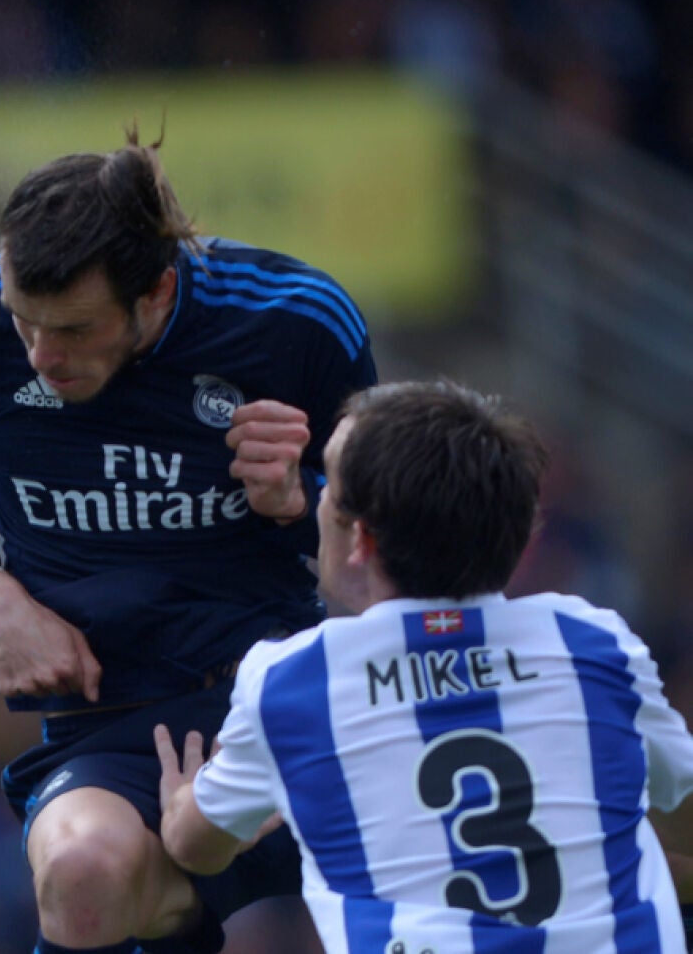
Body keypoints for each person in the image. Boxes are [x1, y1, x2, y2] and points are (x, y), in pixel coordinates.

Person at [0, 126, 376, 953]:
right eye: (23, 322)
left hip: (294, 697)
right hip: (113, 720)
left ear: (154, 294)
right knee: (80, 879)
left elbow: (392, 531)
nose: (41, 356)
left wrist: (303, 497)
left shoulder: (299, 322)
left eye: (74, 330)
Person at [157, 379, 693, 952]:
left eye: (329, 488)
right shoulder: (592, 639)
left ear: (360, 537)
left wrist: (182, 800)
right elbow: (676, 790)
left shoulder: (293, 679)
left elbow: (195, 847)